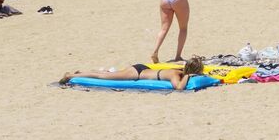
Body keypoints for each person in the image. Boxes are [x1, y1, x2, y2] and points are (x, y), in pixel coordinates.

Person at [60, 56, 204, 91]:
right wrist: (187, 77)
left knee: (106, 74)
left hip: (141, 68)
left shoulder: (178, 70)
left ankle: (81, 72)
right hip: (137, 74)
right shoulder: (177, 75)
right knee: (104, 77)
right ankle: (70, 76)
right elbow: (178, 88)